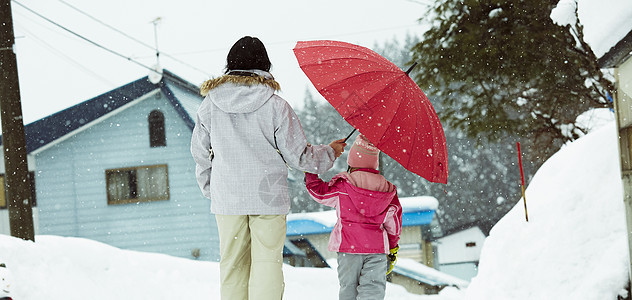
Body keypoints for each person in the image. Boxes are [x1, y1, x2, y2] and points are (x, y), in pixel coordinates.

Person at [190, 36, 346, 300]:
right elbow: (300, 156)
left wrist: (211, 188)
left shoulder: (209, 106)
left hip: (227, 197)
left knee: (232, 264)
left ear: (230, 65)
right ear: (264, 66)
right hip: (268, 196)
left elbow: (199, 153)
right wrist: (330, 151)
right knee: (267, 264)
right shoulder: (276, 106)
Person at [304, 134, 402, 300]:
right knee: (373, 290)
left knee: (348, 288)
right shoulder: (388, 191)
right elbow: (394, 224)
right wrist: (392, 248)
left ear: (352, 163)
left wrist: (311, 170)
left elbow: (319, 192)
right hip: (377, 249)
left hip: (348, 248)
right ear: (374, 163)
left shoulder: (343, 186)